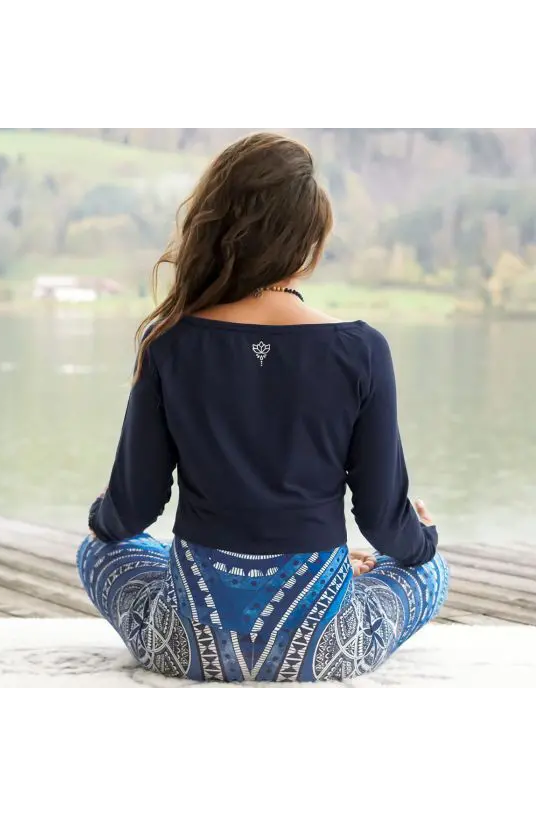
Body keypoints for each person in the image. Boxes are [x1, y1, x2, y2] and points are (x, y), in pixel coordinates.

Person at [76, 132, 449, 683]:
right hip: (323, 647)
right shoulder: (362, 350)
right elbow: (383, 521)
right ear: (310, 239)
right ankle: (335, 571)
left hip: (188, 644)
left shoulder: (170, 343)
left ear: (213, 228)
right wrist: (423, 540)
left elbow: (130, 513)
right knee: (428, 569)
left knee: (99, 550)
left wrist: (99, 514)